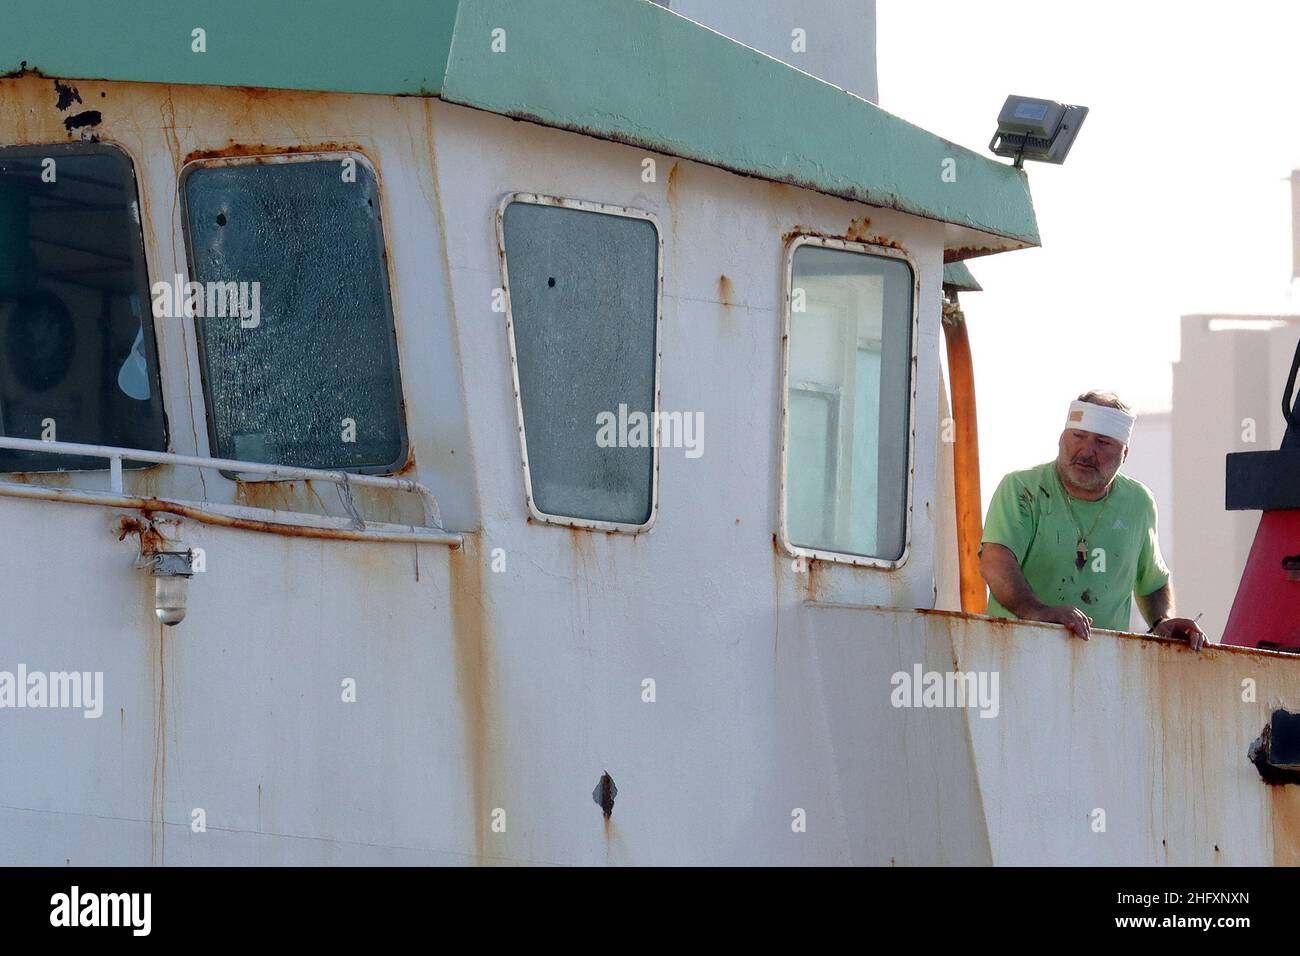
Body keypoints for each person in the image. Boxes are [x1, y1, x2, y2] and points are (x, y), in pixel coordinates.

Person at [978, 391, 1210, 649]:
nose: (1087, 451)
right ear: (1061, 439)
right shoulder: (1022, 489)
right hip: (1014, 653)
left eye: (1102, 442)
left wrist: (1161, 622)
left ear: (1124, 454)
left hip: (1102, 665)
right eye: (1078, 436)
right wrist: (1038, 612)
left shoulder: (1138, 502)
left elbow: (1153, 579)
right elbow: (995, 562)